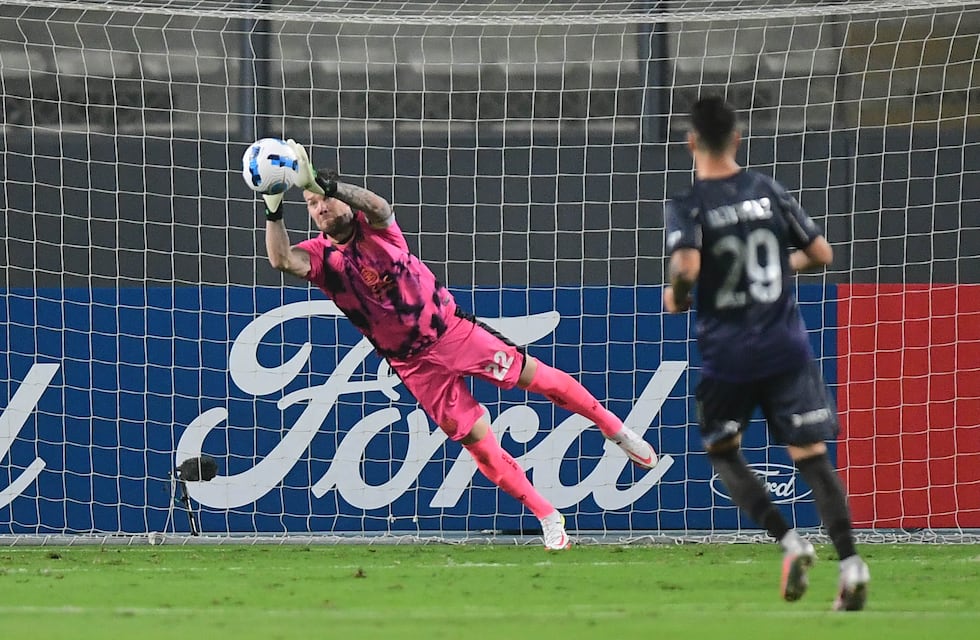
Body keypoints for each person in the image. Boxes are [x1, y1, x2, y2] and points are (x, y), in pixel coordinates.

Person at [257, 139, 659, 550]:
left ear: (340, 199)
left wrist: (324, 183)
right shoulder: (321, 257)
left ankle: (615, 429)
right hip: (412, 366)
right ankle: (547, 515)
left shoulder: (375, 227)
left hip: (450, 332)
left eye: (322, 199)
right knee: (479, 446)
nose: (319, 208)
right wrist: (273, 207)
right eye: (311, 204)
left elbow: (379, 205)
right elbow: (281, 260)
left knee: (537, 378)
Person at [662, 96, 870, 610]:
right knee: (811, 456)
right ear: (736, 138)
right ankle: (852, 564)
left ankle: (790, 540)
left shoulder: (689, 203)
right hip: (785, 346)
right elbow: (821, 253)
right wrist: (778, 265)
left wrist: (678, 294)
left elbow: (687, 268)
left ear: (691, 141)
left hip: (730, 354)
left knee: (722, 450)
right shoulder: (767, 189)